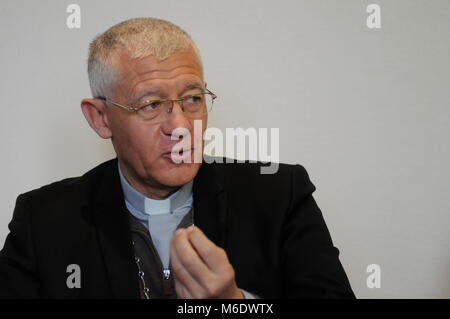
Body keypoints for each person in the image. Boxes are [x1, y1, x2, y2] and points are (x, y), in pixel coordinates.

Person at [0, 18, 355, 299]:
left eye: (193, 99)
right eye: (152, 105)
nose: (181, 126)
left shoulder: (279, 196)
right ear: (100, 118)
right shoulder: (43, 220)